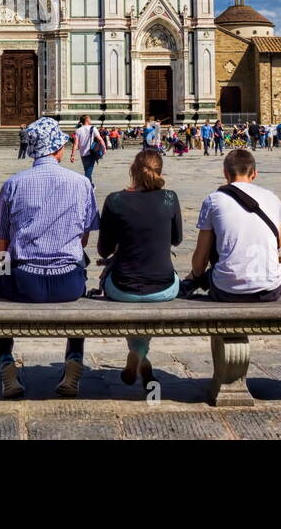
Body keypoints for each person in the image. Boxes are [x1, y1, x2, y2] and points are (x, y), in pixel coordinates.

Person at [0, 117, 97, 400]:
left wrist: (1, 275)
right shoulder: (82, 183)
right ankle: (73, 359)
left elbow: (2, 240)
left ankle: (6, 363)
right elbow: (84, 238)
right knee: (80, 299)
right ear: (58, 150)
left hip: (25, 282)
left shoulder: (13, 184)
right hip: (69, 283)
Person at [97, 149, 182, 390]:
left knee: (130, 289)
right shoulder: (170, 198)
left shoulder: (115, 200)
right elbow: (176, 239)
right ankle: (140, 352)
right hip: (164, 287)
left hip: (121, 287)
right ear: (160, 171)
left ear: (132, 171)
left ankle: (138, 352)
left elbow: (103, 251)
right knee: (148, 293)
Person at [181, 147, 281, 303]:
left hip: (227, 290)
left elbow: (201, 258)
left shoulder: (214, 200)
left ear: (225, 174)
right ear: (254, 174)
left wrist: (196, 276)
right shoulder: (272, 198)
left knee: (213, 238)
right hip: (270, 290)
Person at [68, 114, 108, 182]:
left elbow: (75, 144)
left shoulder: (78, 130)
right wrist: (104, 148)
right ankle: (87, 187)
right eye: (90, 119)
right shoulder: (93, 128)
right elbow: (100, 139)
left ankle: (90, 187)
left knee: (87, 170)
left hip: (83, 154)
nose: (90, 120)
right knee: (88, 172)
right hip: (91, 153)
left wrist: (73, 155)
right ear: (86, 120)